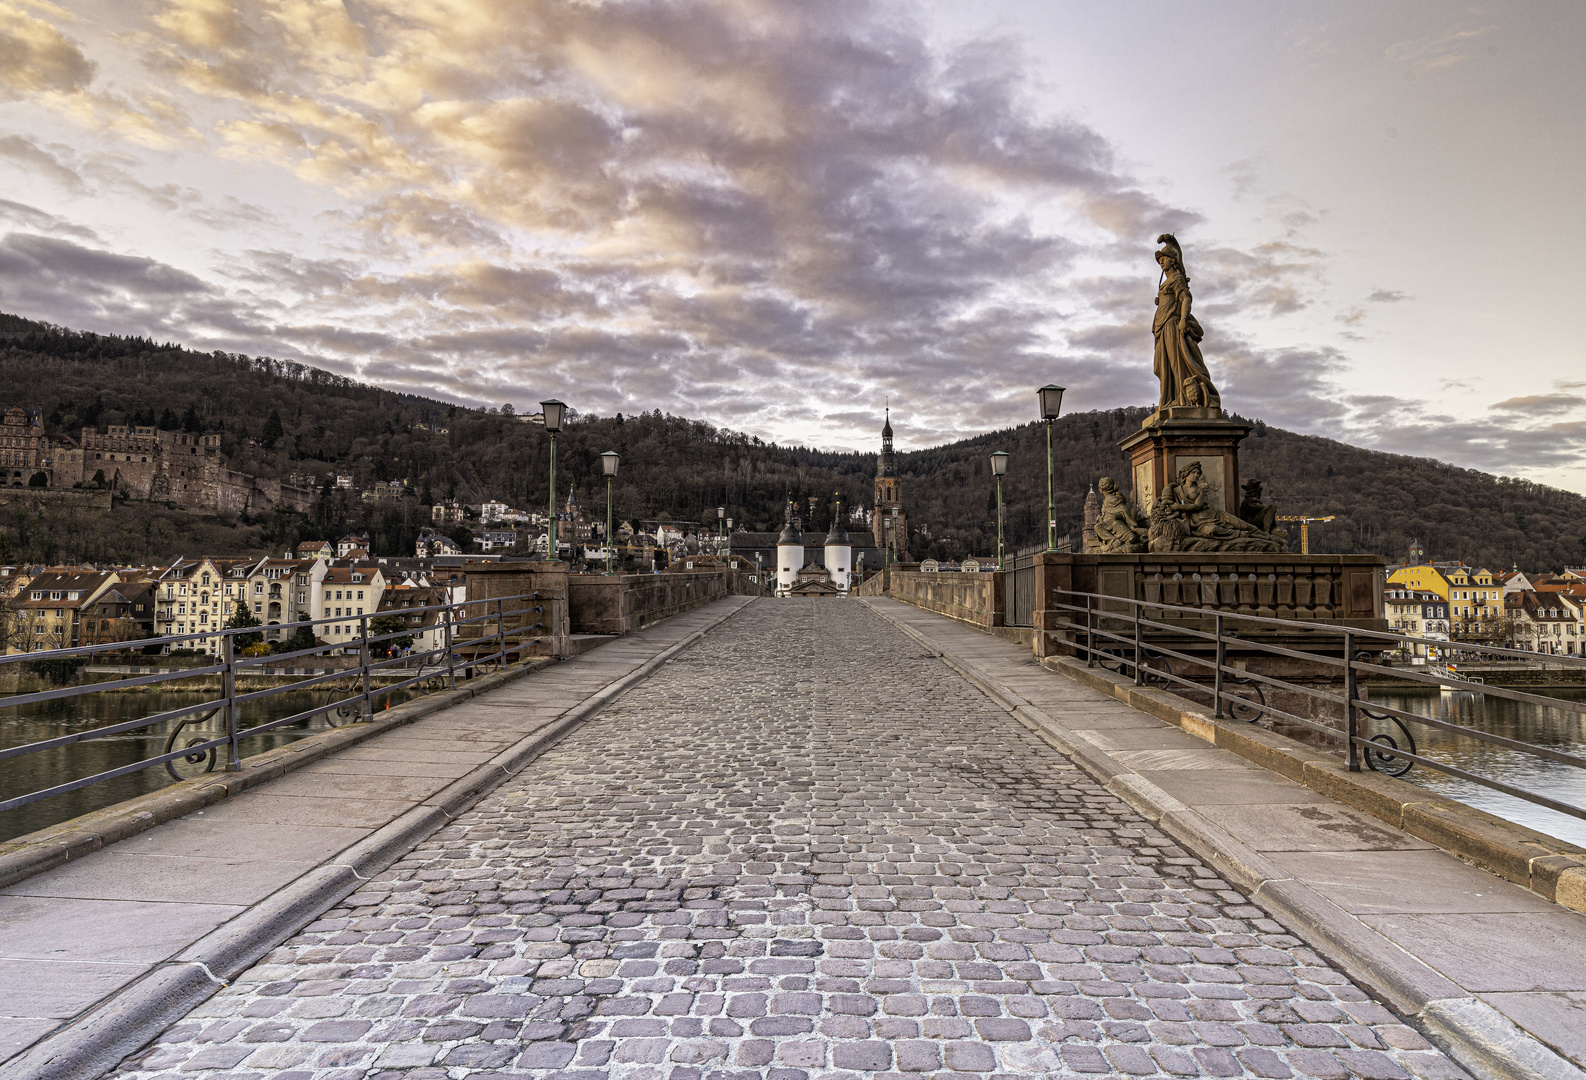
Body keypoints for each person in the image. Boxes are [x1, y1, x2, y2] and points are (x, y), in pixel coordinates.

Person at [1153, 234, 1222, 411]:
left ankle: (1183, 398)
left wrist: (1183, 320)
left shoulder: (1177, 279)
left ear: (1173, 260)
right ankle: (1170, 398)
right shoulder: (1167, 282)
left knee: (1177, 361)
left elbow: (1186, 299)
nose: (1161, 262)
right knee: (1163, 366)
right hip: (1161, 326)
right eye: (1159, 259)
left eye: (1164, 258)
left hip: (1172, 324)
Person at [1093, 477, 1147, 552]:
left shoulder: (1114, 499)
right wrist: (1101, 517)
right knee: (1097, 526)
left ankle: (1129, 536)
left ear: (1101, 490)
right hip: (1107, 524)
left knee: (1116, 524)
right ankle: (1113, 540)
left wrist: (1118, 516)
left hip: (1115, 523)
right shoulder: (1106, 500)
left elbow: (1123, 509)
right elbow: (1107, 513)